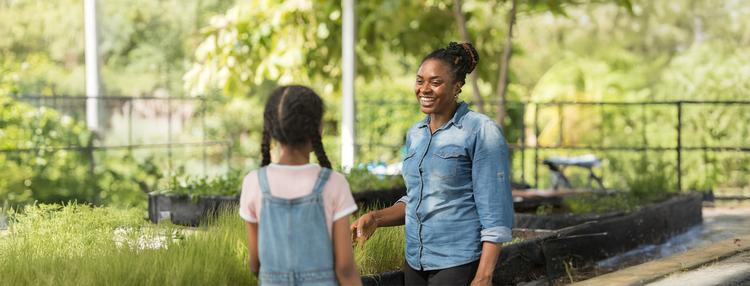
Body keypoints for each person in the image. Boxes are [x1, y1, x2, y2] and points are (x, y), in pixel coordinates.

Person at [350, 42, 514, 286]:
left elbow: (495, 211)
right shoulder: (416, 134)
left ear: (457, 87)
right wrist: (375, 218)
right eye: (419, 81)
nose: (424, 89)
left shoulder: (480, 131)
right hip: (416, 262)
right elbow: (418, 198)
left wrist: (483, 276)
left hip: (457, 263)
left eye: (435, 82)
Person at [239, 85, 362, 286]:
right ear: (318, 128)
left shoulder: (254, 183)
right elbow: (345, 268)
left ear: (270, 129)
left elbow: (255, 264)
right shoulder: (334, 183)